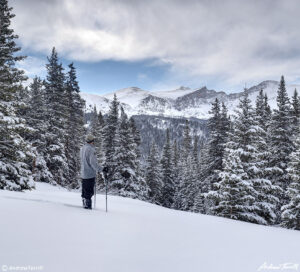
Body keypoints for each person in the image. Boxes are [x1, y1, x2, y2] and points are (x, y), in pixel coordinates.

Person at [80, 134, 105, 209]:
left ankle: (85, 204)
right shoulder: (91, 149)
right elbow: (93, 163)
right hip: (89, 174)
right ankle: (88, 209)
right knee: (89, 192)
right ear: (92, 141)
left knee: (84, 192)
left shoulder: (83, 148)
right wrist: (102, 169)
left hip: (84, 173)